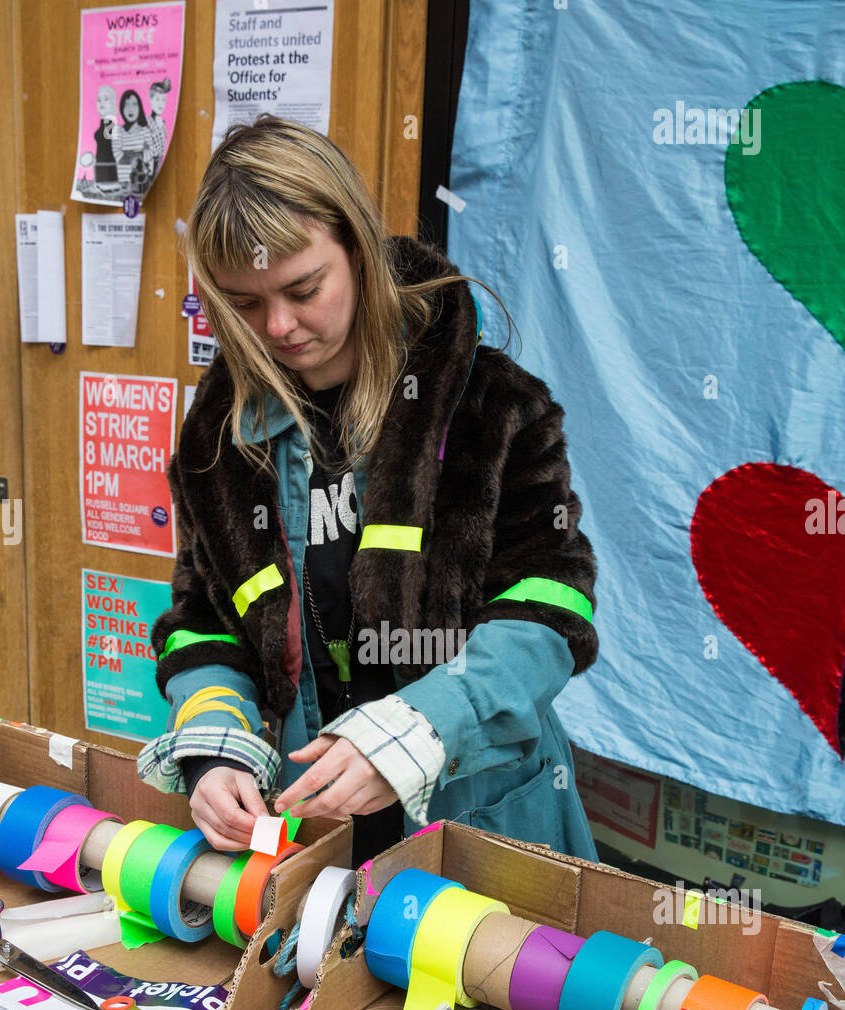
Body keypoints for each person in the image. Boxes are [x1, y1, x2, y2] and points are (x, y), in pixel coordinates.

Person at [137, 116, 600, 868]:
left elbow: (554, 610)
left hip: (474, 814)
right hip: (307, 829)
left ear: (355, 245)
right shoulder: (216, 442)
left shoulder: (492, 405)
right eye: (245, 305)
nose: (278, 327)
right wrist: (213, 740)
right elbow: (201, 624)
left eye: (302, 288)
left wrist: (427, 724)